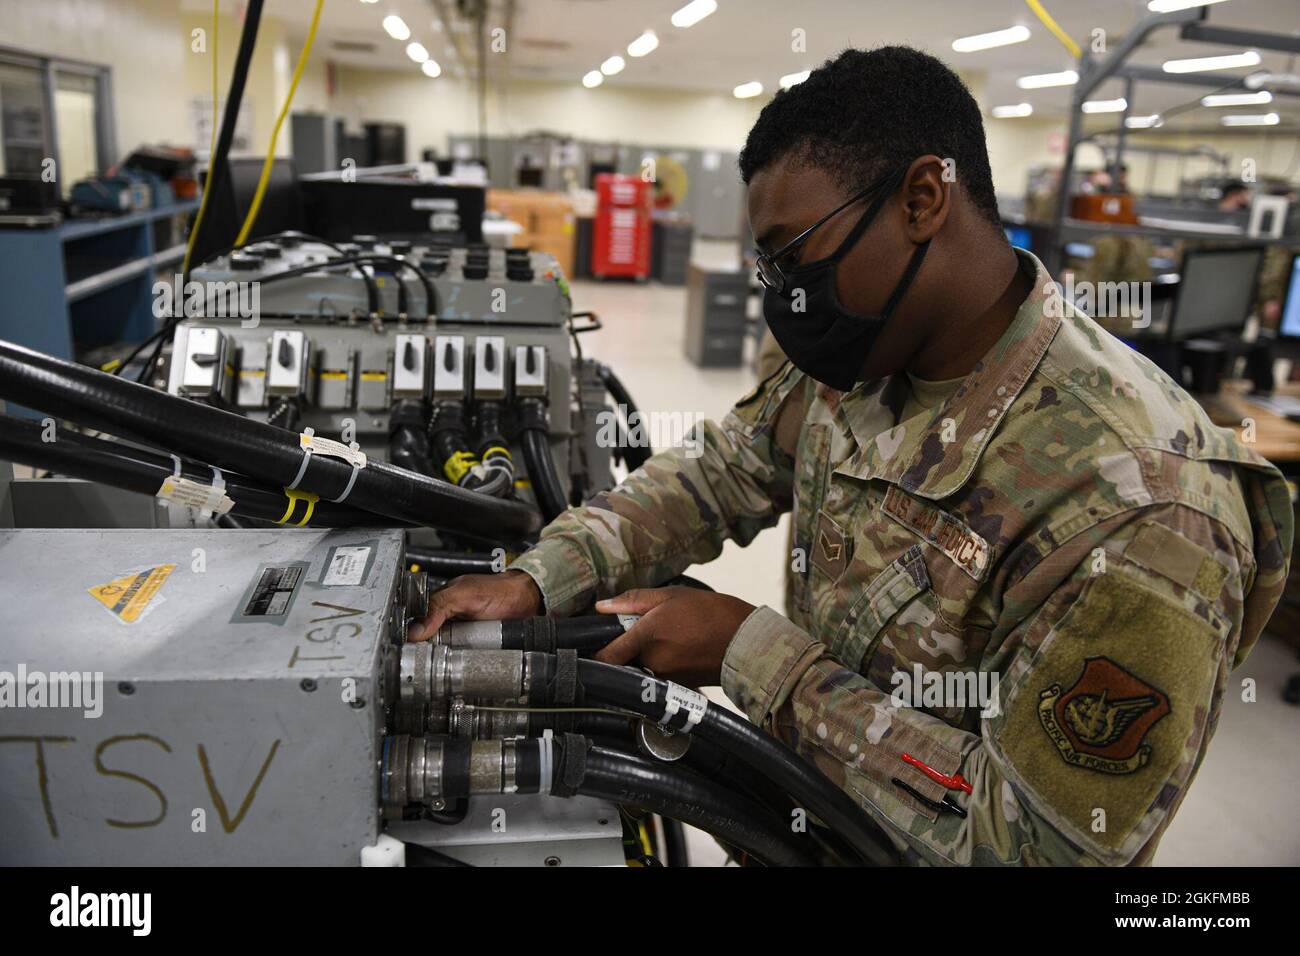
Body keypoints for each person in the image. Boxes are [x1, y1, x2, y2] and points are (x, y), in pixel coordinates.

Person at [413, 47, 1292, 866]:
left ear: (921, 201)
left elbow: (1035, 842)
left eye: (793, 255)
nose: (781, 300)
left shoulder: (1146, 506)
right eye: (764, 269)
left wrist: (747, 653)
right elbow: (721, 470)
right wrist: (542, 577)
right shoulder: (872, 355)